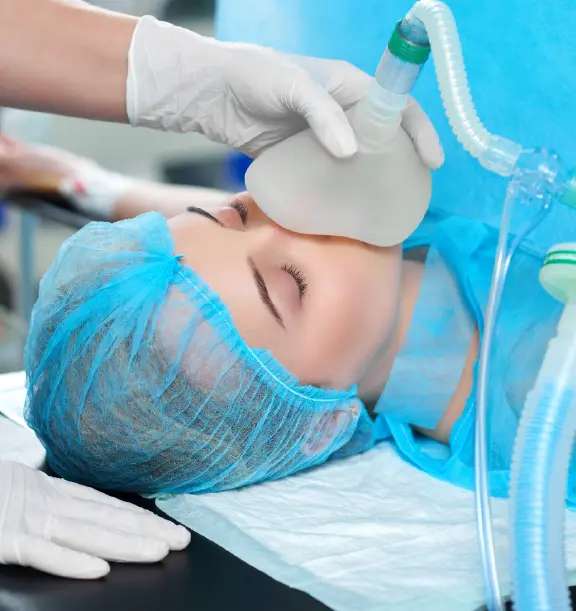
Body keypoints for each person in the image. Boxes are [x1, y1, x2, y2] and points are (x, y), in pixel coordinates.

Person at [0, 0, 444, 579]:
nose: (295, 211)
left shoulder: (352, 263)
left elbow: (213, 259)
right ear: (320, 425)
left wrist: (85, 181)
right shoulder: (526, 394)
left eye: (236, 212)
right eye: (292, 284)